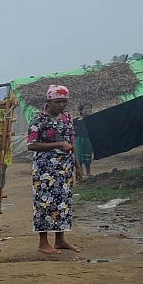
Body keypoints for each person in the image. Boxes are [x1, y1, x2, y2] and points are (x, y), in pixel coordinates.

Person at [29, 84, 81, 255]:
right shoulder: (39, 120)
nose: (62, 105)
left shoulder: (67, 118)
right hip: (45, 169)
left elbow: (72, 143)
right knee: (44, 203)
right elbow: (32, 145)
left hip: (65, 169)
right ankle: (43, 242)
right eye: (58, 101)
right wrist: (58, 144)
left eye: (65, 101)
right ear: (48, 101)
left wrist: (77, 166)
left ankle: (60, 240)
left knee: (63, 203)